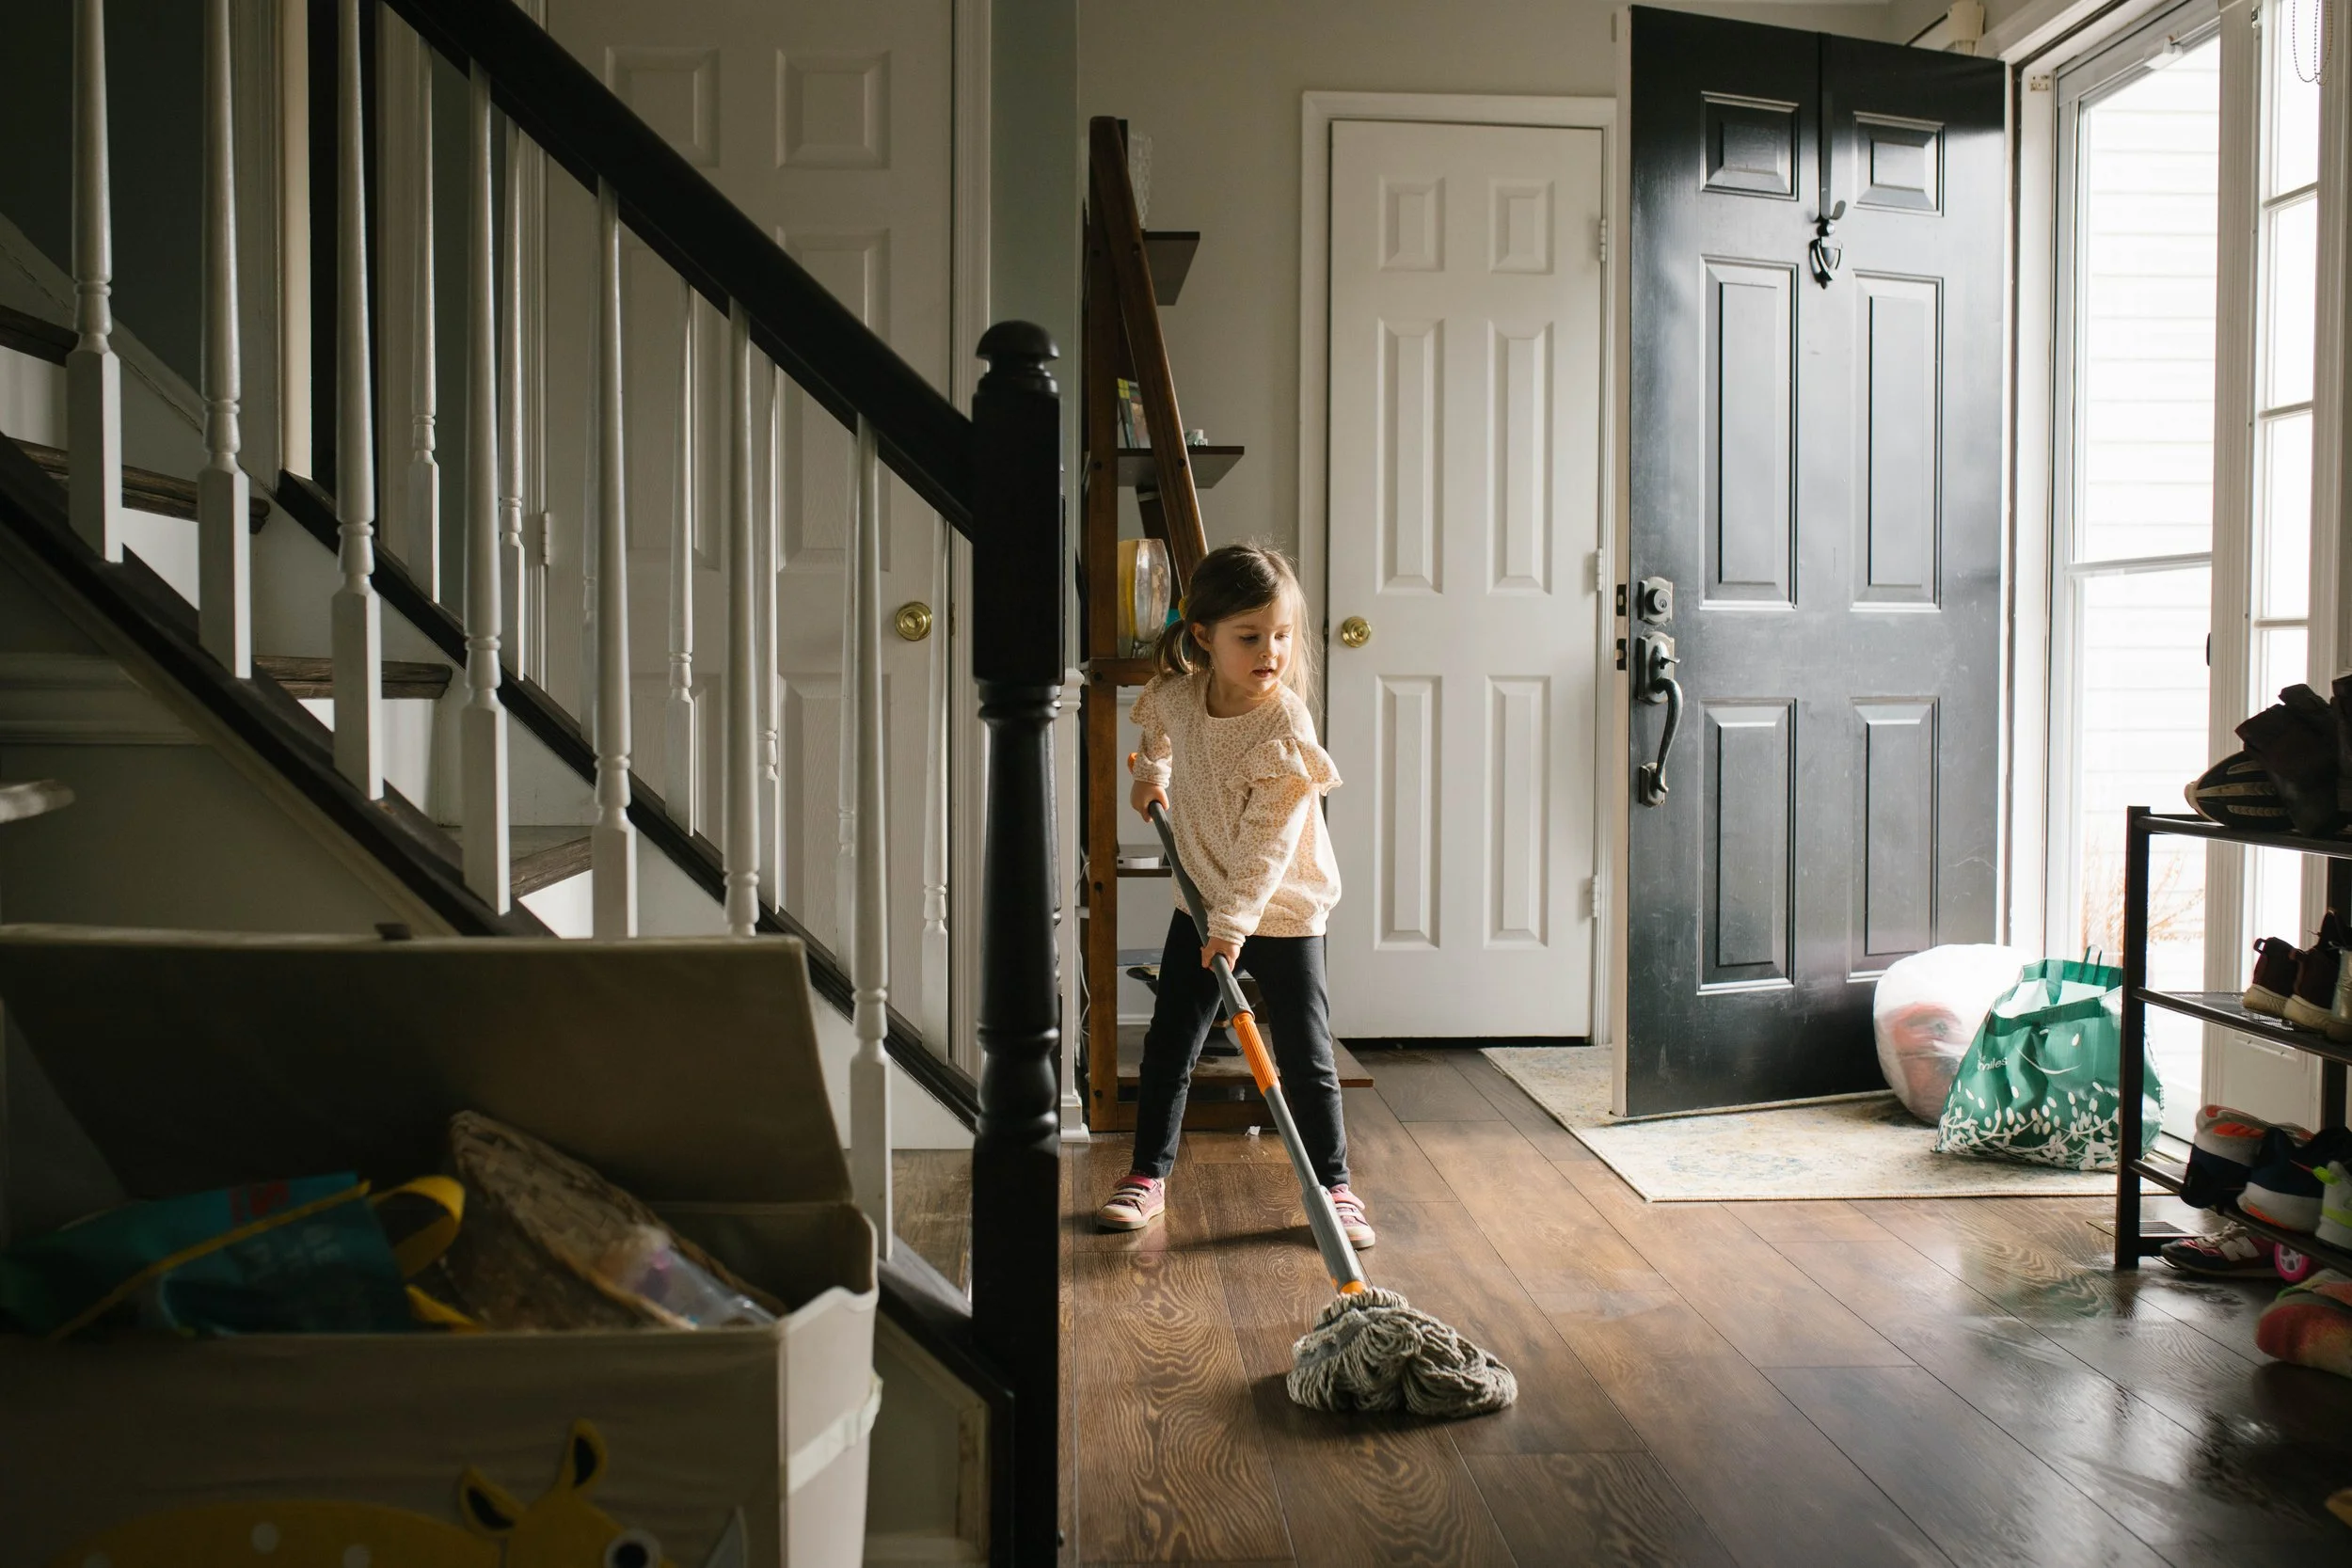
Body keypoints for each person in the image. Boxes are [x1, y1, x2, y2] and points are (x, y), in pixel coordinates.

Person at [1095, 543, 1372, 1248]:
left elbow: (1268, 846)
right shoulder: (1182, 697)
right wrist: (1149, 775)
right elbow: (1156, 728)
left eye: (1281, 636)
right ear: (1203, 637)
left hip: (1280, 910)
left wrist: (1234, 925)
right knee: (1169, 1044)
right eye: (1249, 637)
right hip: (1203, 905)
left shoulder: (1285, 728)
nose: (1269, 652)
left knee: (1305, 1056)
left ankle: (1334, 1187)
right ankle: (1147, 1174)